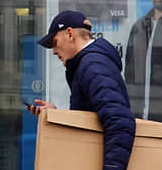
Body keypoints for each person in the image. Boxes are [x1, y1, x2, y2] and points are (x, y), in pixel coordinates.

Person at [29, 10, 135, 170]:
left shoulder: (93, 65)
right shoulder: (89, 63)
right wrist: (57, 115)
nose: (54, 51)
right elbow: (92, 118)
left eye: (55, 42)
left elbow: (119, 121)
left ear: (70, 34)